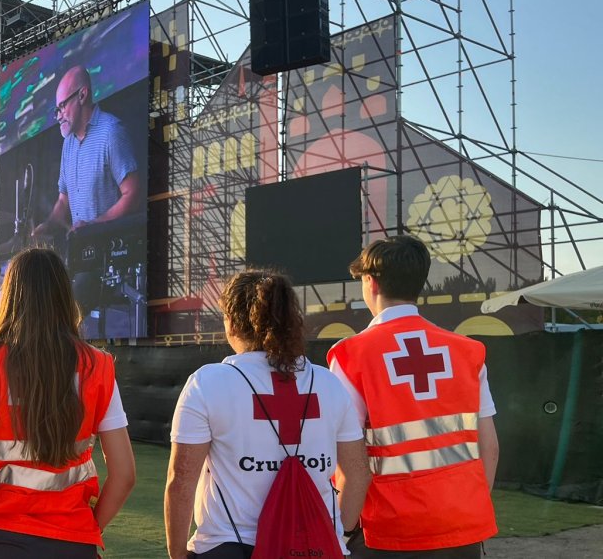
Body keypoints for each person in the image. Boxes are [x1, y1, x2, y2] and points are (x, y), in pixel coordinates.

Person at [0, 248, 136, 557]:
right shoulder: (97, 366)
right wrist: (86, 530)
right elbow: (125, 474)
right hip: (72, 540)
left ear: (9, 297)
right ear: (64, 295)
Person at [164, 270, 370, 559]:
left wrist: (176, 554)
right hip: (316, 547)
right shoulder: (328, 383)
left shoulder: (207, 382)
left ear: (233, 321)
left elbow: (181, 479)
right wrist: (339, 533)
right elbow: (358, 473)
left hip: (230, 547)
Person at [328, 236, 500, 558]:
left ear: (371, 282)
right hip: (461, 529)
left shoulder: (351, 356)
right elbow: (488, 447)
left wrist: (343, 529)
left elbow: (353, 464)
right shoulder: (468, 352)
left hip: (386, 535)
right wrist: (466, 516)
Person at [32, 65, 140, 238]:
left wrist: (93, 226)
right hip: (81, 250)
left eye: (62, 106)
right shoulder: (68, 144)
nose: (58, 116)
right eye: (57, 110)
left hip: (110, 249)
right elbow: (63, 200)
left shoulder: (111, 132)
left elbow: (133, 194)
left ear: (82, 95)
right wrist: (49, 225)